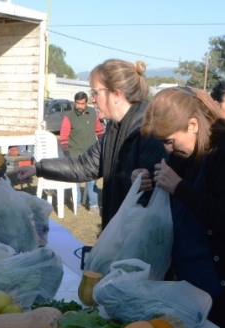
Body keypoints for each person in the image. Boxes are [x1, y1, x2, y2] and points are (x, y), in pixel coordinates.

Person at [137, 86, 225, 328]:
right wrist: (148, 181)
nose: (167, 149)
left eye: (170, 141)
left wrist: (179, 188)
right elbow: (176, 195)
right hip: (196, 285)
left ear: (194, 125)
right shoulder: (187, 153)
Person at [13, 59, 167, 228]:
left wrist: (141, 180)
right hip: (117, 234)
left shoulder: (148, 132)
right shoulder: (114, 128)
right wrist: (38, 168)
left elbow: (158, 194)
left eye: (95, 92)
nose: (92, 99)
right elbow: (85, 166)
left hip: (136, 241)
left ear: (116, 94)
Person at [59, 91, 105, 215]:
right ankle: (77, 204)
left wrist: (104, 145)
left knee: (91, 182)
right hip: (76, 155)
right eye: (77, 103)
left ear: (86, 103)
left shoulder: (92, 114)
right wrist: (67, 153)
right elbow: (63, 137)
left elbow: (99, 131)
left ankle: (94, 206)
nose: (79, 106)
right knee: (77, 183)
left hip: (91, 154)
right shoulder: (69, 117)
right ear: (75, 102)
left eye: (82, 103)